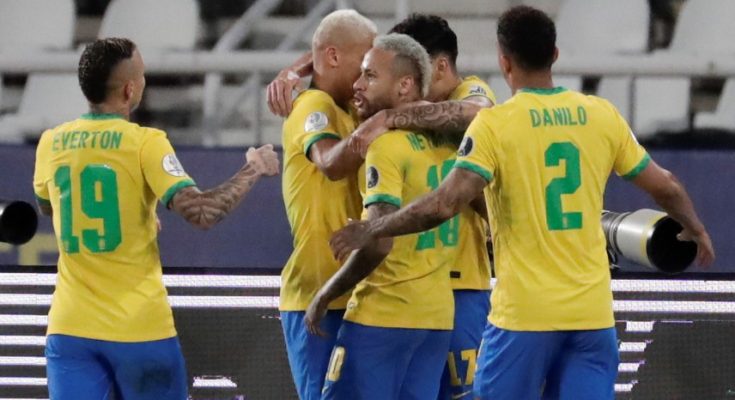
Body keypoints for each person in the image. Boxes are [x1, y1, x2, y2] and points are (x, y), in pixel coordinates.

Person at [329, 6, 715, 400]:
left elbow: (444, 204)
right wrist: (695, 227)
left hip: (524, 319)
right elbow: (665, 186)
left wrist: (372, 226)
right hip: (593, 319)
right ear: (556, 55)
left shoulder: (496, 124)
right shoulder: (601, 115)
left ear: (504, 60)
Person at [32, 38, 279, 400]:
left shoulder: (50, 143)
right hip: (139, 332)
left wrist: (129, 213)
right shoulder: (145, 142)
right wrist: (252, 170)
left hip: (70, 330)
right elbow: (202, 213)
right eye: (143, 75)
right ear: (130, 89)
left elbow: (50, 206)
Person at [304, 33, 455, 400]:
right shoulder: (450, 141)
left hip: (383, 314)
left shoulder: (384, 145)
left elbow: (378, 242)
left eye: (370, 76)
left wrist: (326, 293)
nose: (358, 83)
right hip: (435, 319)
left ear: (405, 85)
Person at [388, 14, 495, 400]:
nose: (405, 79)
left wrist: (393, 115)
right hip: (410, 290)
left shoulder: (470, 90)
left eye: (413, 69)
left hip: (461, 284)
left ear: (441, 66)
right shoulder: (411, 105)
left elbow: (481, 111)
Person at [279, 10, 377, 400]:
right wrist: (381, 121)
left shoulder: (350, 109)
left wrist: (297, 65)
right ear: (334, 57)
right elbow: (328, 161)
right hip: (317, 295)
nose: (368, 77)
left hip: (352, 291)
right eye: (364, 66)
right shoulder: (312, 104)